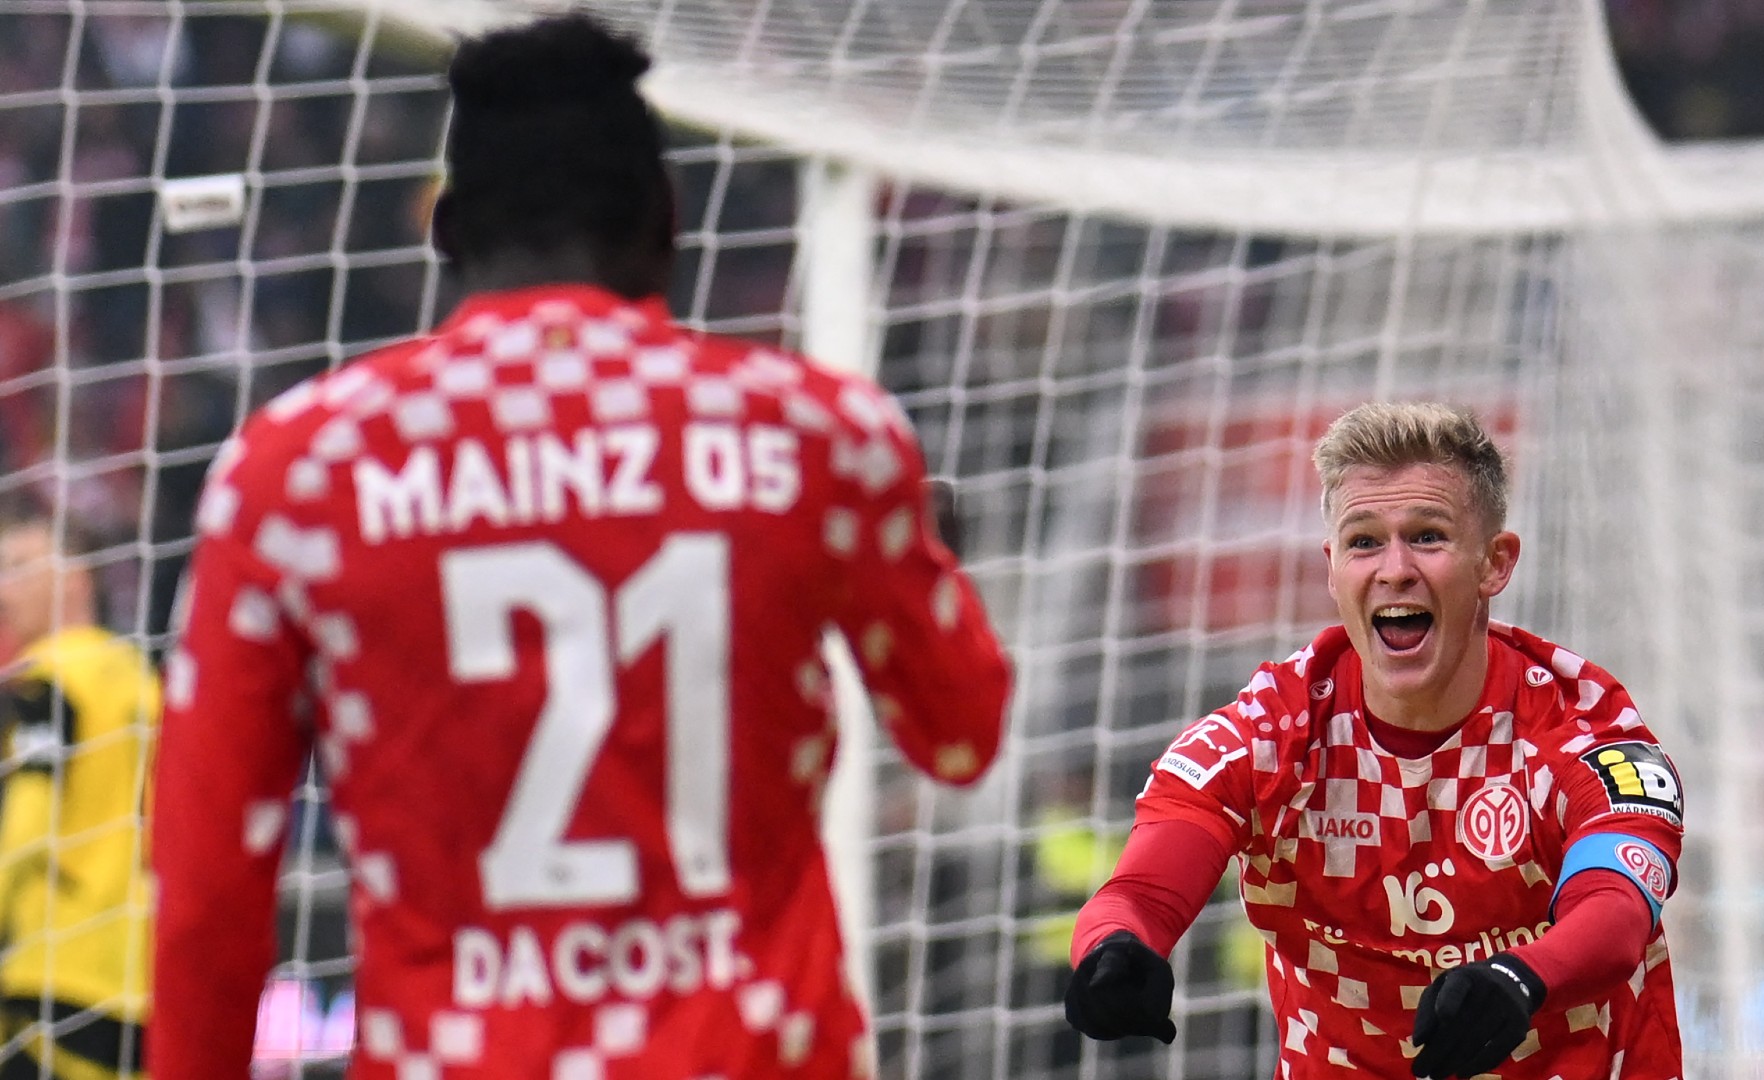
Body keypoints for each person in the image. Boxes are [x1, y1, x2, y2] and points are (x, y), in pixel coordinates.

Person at [148, 15, 1011, 1079]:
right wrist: (923, 558)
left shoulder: (295, 472)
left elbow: (205, 888)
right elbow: (963, 734)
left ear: (449, 229)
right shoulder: (818, 437)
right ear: (665, 221)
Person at [1064, 402, 1685, 1079]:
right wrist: (1114, 950)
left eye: (1427, 536)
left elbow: (1617, 910)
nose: (1394, 569)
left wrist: (1519, 978)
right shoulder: (1269, 736)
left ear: (1495, 564)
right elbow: (1141, 894)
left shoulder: (1583, 727)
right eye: (1364, 542)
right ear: (1332, 569)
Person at [0, 509, 157, 1080]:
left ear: (75, 577)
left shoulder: (46, 678)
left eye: (18, 566)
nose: (3, 586)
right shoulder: (146, 682)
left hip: (52, 970)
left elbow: (26, 827)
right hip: (138, 979)